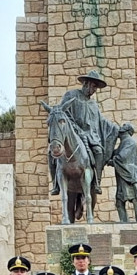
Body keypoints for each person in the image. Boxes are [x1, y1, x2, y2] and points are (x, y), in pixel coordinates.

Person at [50, 69, 118, 197]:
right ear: (86, 84)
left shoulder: (93, 104)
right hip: (71, 133)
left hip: (89, 135)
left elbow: (100, 121)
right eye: (93, 86)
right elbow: (62, 113)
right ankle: (55, 183)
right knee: (52, 151)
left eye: (96, 88)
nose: (94, 90)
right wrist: (75, 128)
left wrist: (115, 128)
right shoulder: (71, 95)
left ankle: (97, 181)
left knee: (98, 151)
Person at [112, 122, 137, 223]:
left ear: (126, 131)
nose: (120, 127)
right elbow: (115, 154)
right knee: (119, 202)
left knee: (136, 199)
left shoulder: (129, 142)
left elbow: (122, 156)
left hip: (129, 176)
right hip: (123, 175)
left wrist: (112, 160)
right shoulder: (123, 142)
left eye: (123, 126)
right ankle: (124, 223)